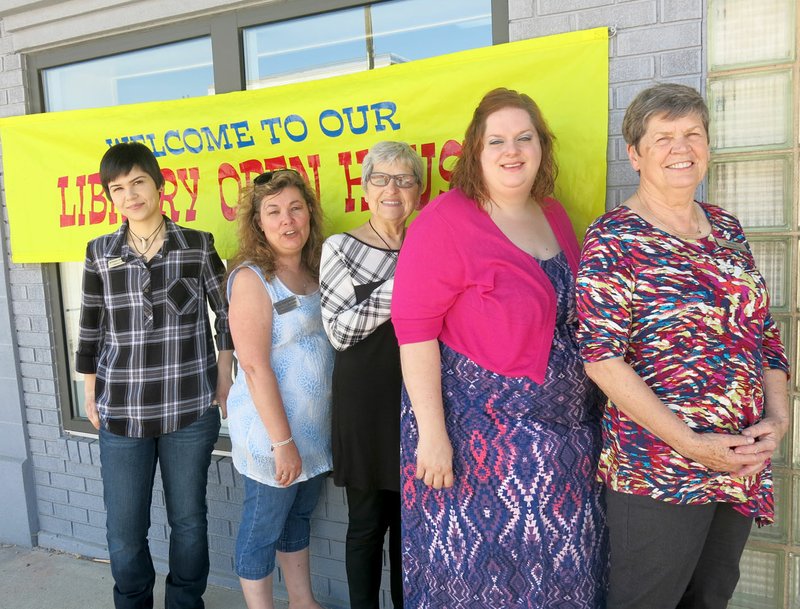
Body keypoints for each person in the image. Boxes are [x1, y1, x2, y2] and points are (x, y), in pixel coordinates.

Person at [576, 83, 790, 609]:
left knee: (710, 598)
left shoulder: (727, 229)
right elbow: (601, 360)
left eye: (693, 133)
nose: (682, 148)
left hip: (739, 461)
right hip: (657, 471)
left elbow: (763, 333)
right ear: (635, 154)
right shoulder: (613, 239)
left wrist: (780, 418)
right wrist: (691, 444)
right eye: (664, 137)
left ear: (708, 146)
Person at [391, 88, 608, 608]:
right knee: (482, 583)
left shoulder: (552, 213)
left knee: (563, 579)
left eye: (524, 138)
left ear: (541, 147)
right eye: (497, 141)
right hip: (481, 447)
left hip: (568, 444)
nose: (512, 151)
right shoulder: (444, 221)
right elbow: (414, 334)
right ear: (475, 151)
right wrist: (432, 436)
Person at [76, 141, 234, 609]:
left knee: (189, 521)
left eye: (138, 182)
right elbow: (89, 325)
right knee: (124, 531)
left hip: (189, 408)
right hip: (121, 411)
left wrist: (223, 376)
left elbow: (225, 314)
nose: (130, 194)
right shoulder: (100, 251)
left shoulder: (198, 245)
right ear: (110, 197)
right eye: (118, 188)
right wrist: (90, 392)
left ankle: (185, 603)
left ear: (160, 186)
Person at [320, 141, 423, 609]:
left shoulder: (429, 242)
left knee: (411, 527)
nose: (392, 190)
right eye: (382, 179)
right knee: (366, 525)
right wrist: (411, 279)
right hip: (363, 404)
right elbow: (341, 330)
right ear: (364, 188)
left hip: (419, 401)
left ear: (419, 190)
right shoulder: (339, 246)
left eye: (404, 179)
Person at [225, 168, 333, 609]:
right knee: (263, 526)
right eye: (274, 212)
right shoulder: (253, 278)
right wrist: (282, 442)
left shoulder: (317, 268)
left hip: (313, 430)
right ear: (259, 224)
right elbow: (252, 365)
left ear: (309, 213)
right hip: (274, 433)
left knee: (297, 518)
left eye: (295, 208)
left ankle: (302, 602)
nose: (288, 221)